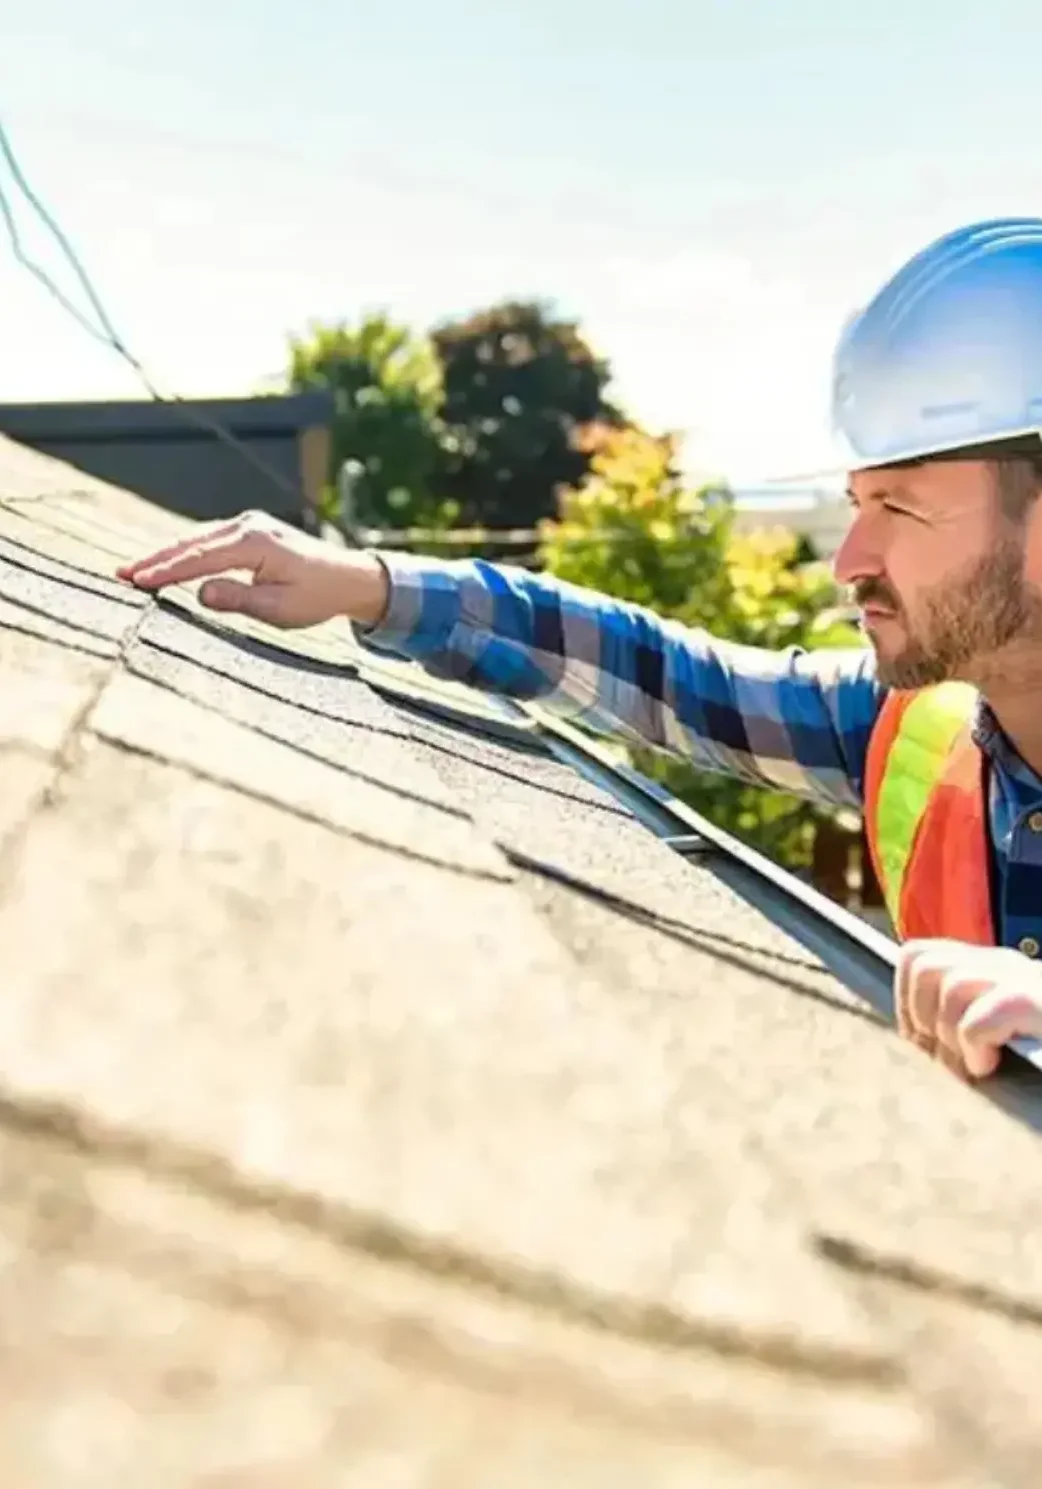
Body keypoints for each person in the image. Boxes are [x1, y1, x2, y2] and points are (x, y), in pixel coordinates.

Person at [118, 217, 1042, 1084]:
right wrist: (375, 586)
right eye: (857, 504)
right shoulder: (916, 736)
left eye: (903, 508)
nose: (850, 561)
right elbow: (669, 679)